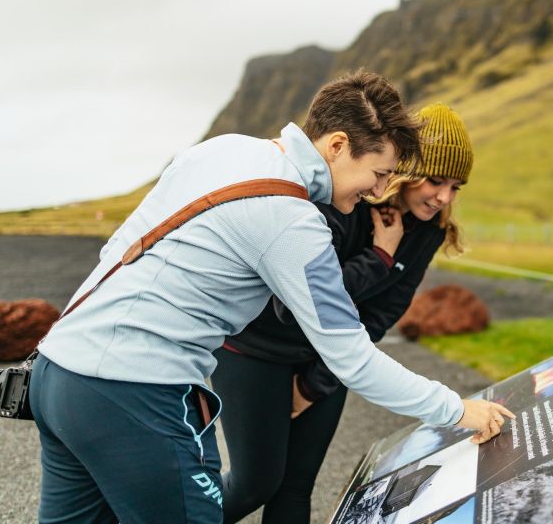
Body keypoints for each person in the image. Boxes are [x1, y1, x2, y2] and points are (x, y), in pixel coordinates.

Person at [27, 72, 512, 524]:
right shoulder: (292, 219)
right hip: (132, 390)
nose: (380, 190)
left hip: (58, 370)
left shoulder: (224, 149)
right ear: (338, 145)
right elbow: (352, 358)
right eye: (379, 173)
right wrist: (456, 410)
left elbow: (120, 250)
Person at [214, 103, 475, 523]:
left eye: (456, 186)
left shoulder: (429, 231)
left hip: (331, 359)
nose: (444, 197)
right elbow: (306, 299)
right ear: (403, 172)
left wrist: (314, 386)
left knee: (297, 486)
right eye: (435, 180)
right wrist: (380, 256)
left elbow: (380, 314)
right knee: (254, 483)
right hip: (257, 349)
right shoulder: (344, 199)